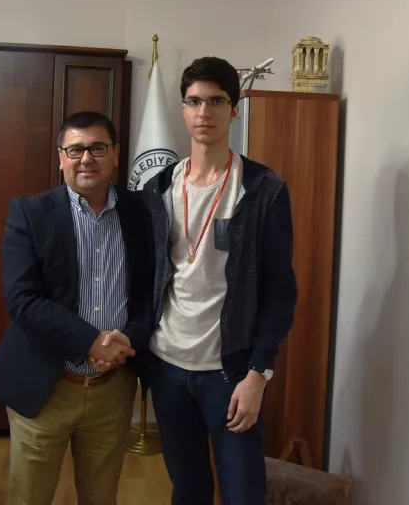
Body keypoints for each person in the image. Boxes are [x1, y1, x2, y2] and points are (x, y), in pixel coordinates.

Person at [141, 57, 298, 504]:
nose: (203, 112)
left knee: (242, 492)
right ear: (183, 109)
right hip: (168, 366)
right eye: (194, 102)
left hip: (231, 373)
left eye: (215, 101)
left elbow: (280, 290)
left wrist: (259, 372)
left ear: (235, 110)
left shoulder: (263, 189)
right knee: (187, 489)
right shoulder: (158, 189)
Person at [0, 110, 153, 505]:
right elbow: (22, 300)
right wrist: (90, 342)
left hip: (113, 389)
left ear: (116, 154)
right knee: (29, 498)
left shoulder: (143, 212)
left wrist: (125, 344)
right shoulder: (30, 214)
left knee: (101, 497)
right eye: (75, 149)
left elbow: (150, 292)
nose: (86, 158)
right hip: (46, 385)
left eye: (98, 148)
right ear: (61, 157)